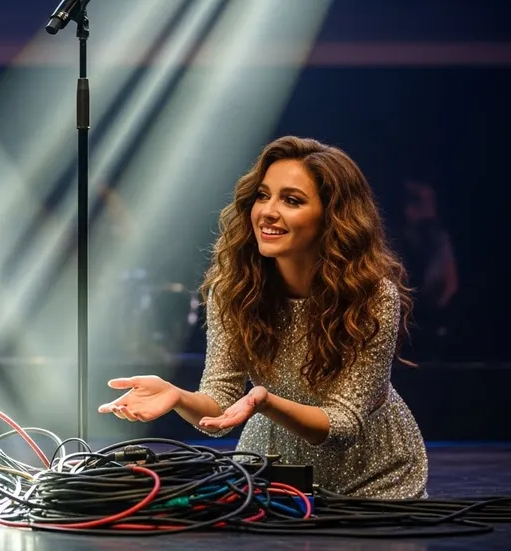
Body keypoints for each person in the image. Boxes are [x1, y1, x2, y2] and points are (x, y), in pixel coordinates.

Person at [98, 136, 428, 499]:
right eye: (262, 195)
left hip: (374, 477)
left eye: (292, 200)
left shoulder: (372, 295)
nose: (268, 211)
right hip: (272, 472)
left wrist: (265, 402)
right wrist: (177, 396)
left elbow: (343, 424)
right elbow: (220, 405)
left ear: (332, 217)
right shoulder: (234, 290)